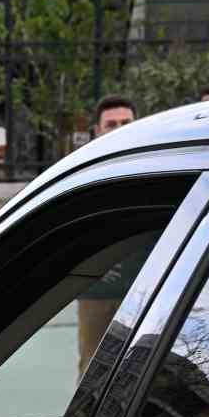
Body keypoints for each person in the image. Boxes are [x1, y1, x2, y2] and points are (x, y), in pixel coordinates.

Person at [74, 96, 145, 374]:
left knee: (141, 372)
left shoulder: (157, 165)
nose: (120, 129)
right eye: (111, 124)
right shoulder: (85, 171)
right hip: (98, 290)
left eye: (126, 123)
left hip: (145, 290)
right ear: (98, 131)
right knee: (93, 369)